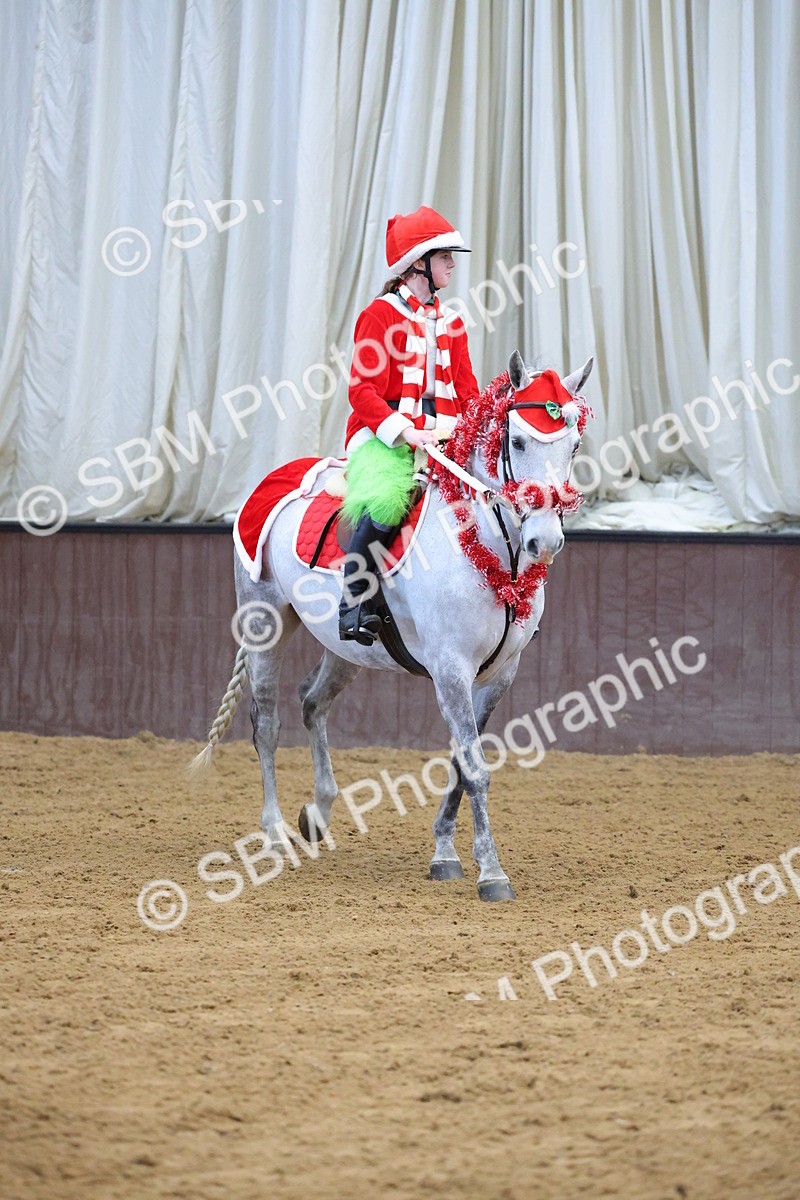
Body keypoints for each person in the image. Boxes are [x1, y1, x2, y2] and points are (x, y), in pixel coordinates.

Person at [339, 205, 480, 645]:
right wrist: (404, 431)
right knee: (387, 500)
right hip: (385, 437)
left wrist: (483, 429)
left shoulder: (452, 322)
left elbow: (468, 390)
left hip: (445, 437)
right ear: (419, 263)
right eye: (445, 257)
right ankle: (353, 603)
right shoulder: (379, 315)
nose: (452, 265)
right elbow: (361, 391)